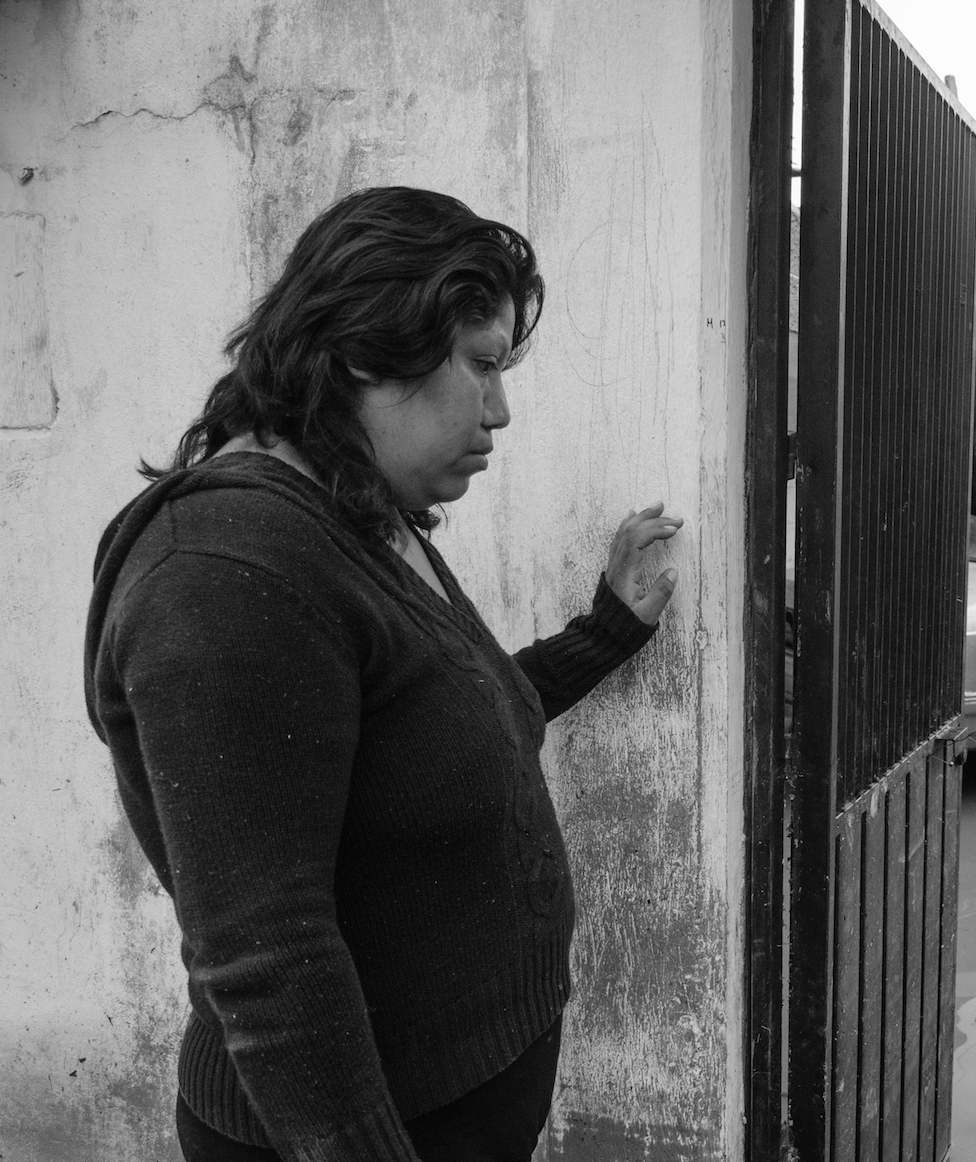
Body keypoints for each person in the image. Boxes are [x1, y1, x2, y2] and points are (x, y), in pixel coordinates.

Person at [82, 187, 683, 1161]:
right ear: (365, 350)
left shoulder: (356, 515)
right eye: (480, 365)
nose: (500, 407)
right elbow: (269, 960)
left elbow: (456, 721)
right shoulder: (224, 575)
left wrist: (606, 630)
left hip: (463, 1099)